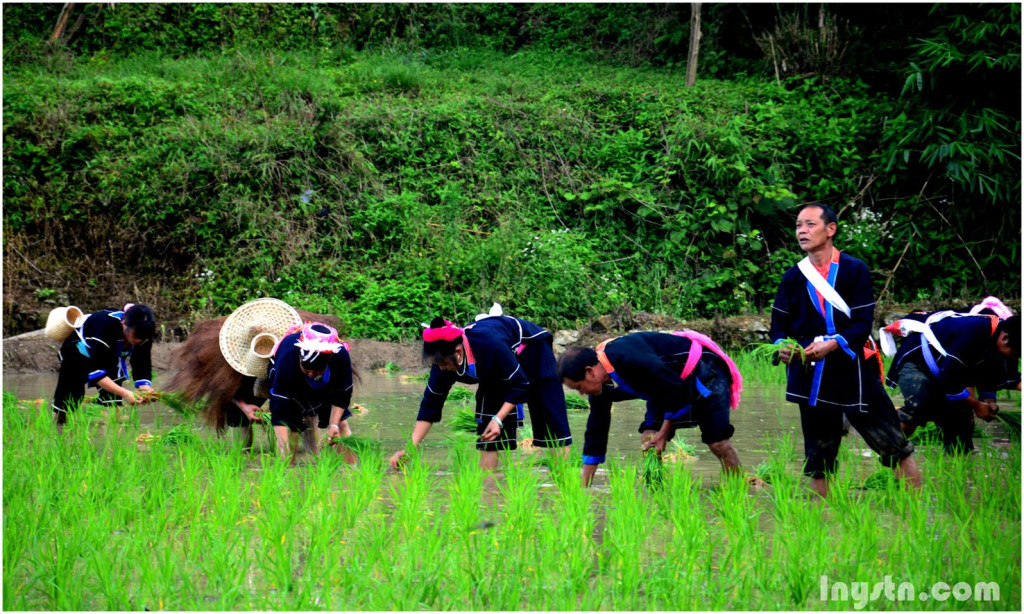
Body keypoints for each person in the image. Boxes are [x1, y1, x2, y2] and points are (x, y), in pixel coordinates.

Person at [769, 203, 921, 498]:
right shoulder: (793, 277)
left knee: (893, 443)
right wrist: (783, 347)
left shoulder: (854, 270)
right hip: (811, 375)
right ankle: (820, 519)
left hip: (854, 372)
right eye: (799, 225)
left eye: (810, 224)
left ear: (831, 229)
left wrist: (833, 343)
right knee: (818, 454)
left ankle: (914, 511)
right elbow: (778, 327)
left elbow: (862, 323)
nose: (802, 230)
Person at [557, 330, 746, 487]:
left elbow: (672, 385)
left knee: (717, 443)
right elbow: (595, 434)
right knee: (649, 437)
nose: (581, 393)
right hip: (663, 387)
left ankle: (737, 491)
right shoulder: (600, 389)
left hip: (704, 370)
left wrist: (664, 432)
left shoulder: (626, 356)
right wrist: (583, 489)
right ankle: (655, 491)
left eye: (578, 387)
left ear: (590, 372)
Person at [389, 314, 572, 471]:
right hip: (495, 366)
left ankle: (562, 479)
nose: (442, 368)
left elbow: (520, 383)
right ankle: (488, 484)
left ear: (458, 351)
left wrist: (498, 419)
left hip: (531, 348)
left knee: (547, 409)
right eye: (437, 365)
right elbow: (431, 403)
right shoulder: (442, 365)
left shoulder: (490, 345)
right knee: (488, 422)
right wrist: (410, 448)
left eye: (444, 363)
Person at [882, 311, 1020, 453]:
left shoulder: (996, 342)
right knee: (919, 405)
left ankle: (958, 458)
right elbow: (948, 377)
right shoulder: (974, 332)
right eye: (1015, 354)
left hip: (944, 369)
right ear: (1005, 338)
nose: (1014, 359)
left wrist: (988, 400)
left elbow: (986, 375)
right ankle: (887, 449)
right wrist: (977, 405)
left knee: (962, 419)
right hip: (916, 362)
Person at [51, 304, 157, 434]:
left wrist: (144, 387)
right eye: (136, 336)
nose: (139, 340)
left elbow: (142, 361)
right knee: (69, 400)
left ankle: (111, 439)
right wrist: (125, 393)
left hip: (111, 356)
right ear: (125, 323)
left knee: (113, 402)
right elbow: (97, 373)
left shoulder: (144, 335)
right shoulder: (105, 327)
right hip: (77, 353)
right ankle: (57, 430)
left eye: (143, 338)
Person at [267, 321, 356, 462]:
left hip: (326, 386)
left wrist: (333, 425)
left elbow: (342, 396)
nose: (311, 374)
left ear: (327, 364)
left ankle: (352, 471)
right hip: (292, 386)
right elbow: (280, 411)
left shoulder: (340, 356)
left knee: (342, 425)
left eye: (316, 371)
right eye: (306, 370)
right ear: (300, 360)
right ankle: (286, 473)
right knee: (292, 430)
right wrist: (284, 451)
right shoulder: (288, 357)